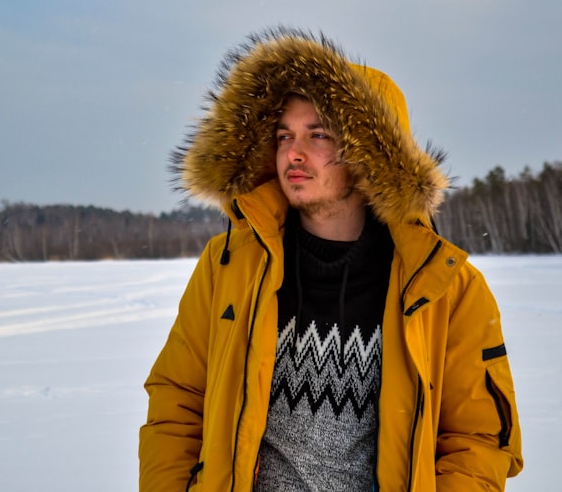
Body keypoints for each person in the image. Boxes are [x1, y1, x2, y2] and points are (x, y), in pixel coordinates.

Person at [139, 28, 523, 491]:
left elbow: (476, 439)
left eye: (317, 134)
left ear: (372, 155)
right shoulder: (227, 266)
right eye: (284, 136)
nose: (293, 153)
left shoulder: (444, 287)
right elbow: (177, 401)